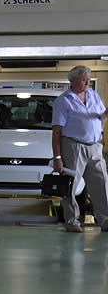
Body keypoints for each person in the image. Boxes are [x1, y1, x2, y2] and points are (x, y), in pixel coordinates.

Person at [51, 65, 108, 232]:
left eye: (88, 79)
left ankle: (105, 220)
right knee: (70, 185)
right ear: (73, 80)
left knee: (102, 183)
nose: (88, 83)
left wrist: (105, 116)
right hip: (74, 146)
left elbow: (101, 118)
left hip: (95, 146)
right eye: (84, 80)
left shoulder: (94, 96)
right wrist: (57, 158)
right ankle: (72, 221)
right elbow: (56, 131)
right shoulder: (63, 101)